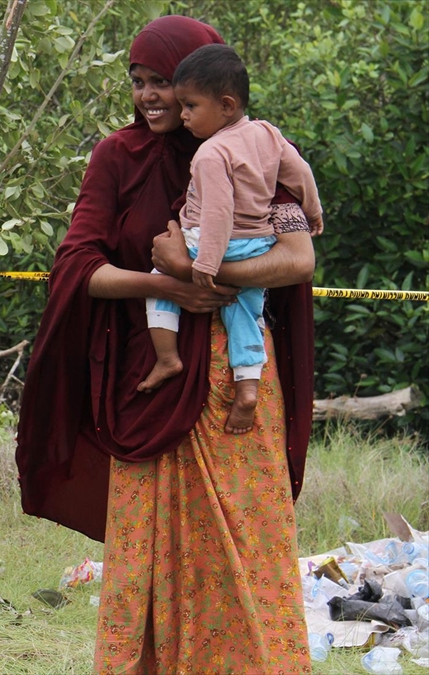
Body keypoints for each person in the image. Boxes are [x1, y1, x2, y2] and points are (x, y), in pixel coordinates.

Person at [14, 16, 316, 674]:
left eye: (165, 83)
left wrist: (200, 271)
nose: (150, 97)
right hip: (150, 376)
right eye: (139, 82)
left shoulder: (250, 149)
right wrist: (163, 283)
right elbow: (77, 268)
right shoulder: (117, 157)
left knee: (243, 540)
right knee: (147, 554)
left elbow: (298, 258)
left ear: (204, 89)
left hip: (235, 380)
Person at [139, 44, 323, 436]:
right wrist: (313, 212)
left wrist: (201, 266)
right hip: (258, 245)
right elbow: (300, 172)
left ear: (225, 105)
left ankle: (167, 357)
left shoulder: (211, 153)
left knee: (159, 282)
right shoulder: (268, 133)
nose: (183, 115)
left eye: (190, 106)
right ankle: (248, 390)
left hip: (212, 243)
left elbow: (218, 213)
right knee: (246, 317)